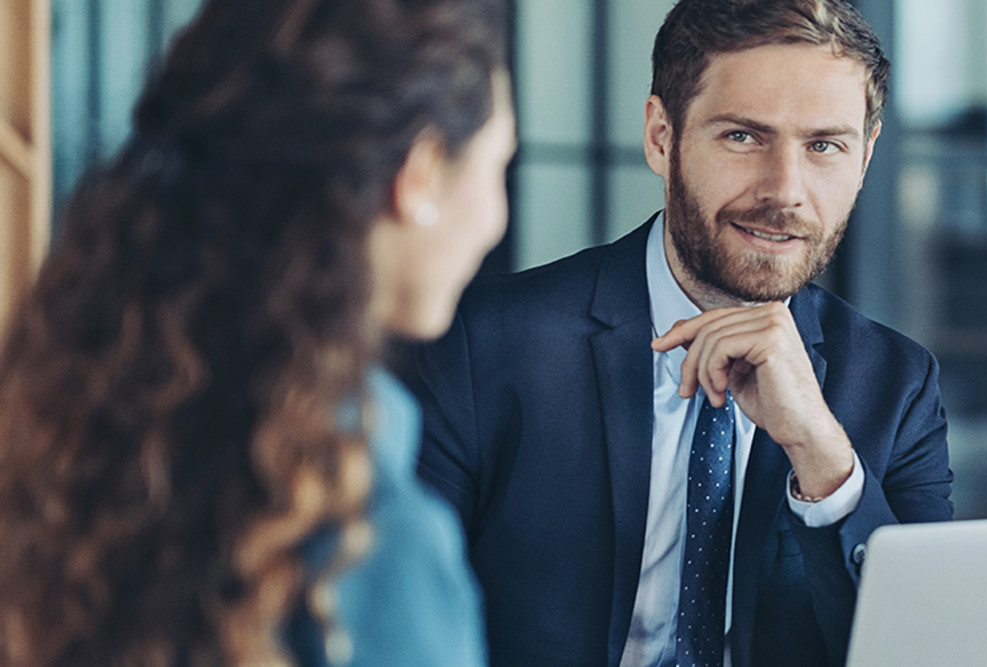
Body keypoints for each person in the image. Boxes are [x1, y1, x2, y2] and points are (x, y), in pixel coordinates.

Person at [400, 0, 953, 665]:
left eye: (824, 145)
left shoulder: (897, 385)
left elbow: (921, 649)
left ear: (865, 157)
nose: (786, 190)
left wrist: (822, 454)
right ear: (662, 136)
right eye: (743, 136)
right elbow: (399, 625)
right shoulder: (481, 347)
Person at [0, 0, 513, 664]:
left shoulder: (75, 448)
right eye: (498, 165)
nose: (496, 218)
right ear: (418, 175)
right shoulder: (377, 549)